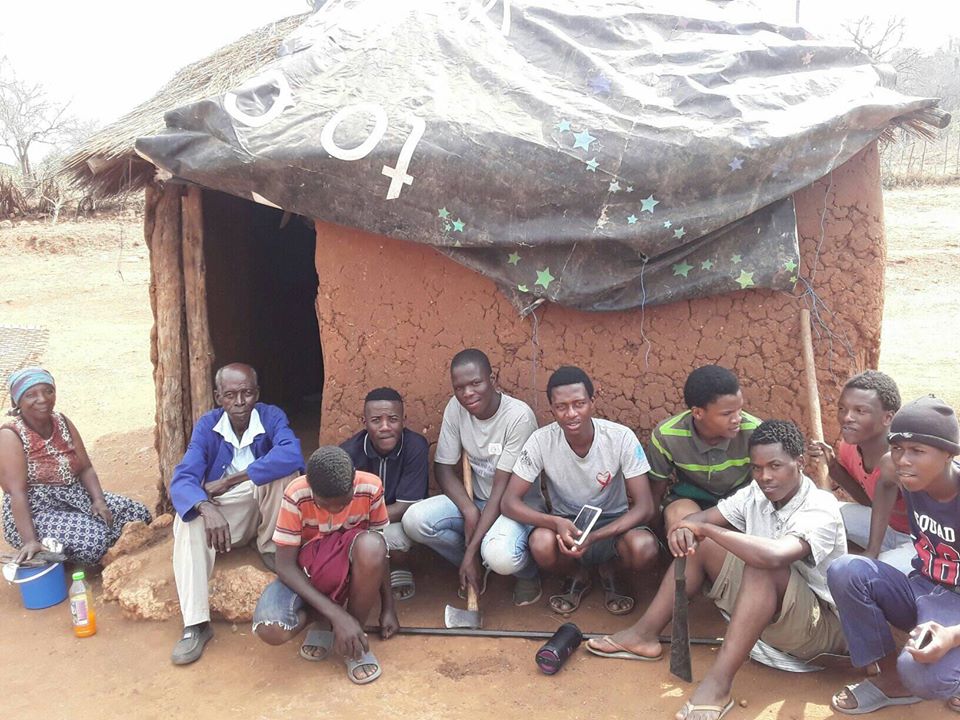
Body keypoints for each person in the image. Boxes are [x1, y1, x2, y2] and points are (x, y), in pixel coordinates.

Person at [588, 420, 848, 720]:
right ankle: (643, 636)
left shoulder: (820, 506)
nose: (765, 476)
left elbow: (776, 556)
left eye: (775, 466)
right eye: (757, 467)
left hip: (818, 631)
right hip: (774, 612)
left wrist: (707, 530)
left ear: (800, 462)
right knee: (702, 547)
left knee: (761, 564)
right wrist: (683, 530)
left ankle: (718, 684)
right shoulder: (756, 493)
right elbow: (699, 522)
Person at [828, 396, 960, 715]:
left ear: (948, 455)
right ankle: (891, 679)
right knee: (847, 569)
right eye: (899, 449)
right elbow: (886, 480)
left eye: (917, 451)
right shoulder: (900, 470)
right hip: (923, 589)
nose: (903, 460)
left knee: (923, 676)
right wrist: (872, 549)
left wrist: (951, 636)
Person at [169, 362, 304, 666]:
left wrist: (231, 479)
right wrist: (204, 507)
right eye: (231, 395)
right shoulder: (208, 426)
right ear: (219, 397)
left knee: (284, 474)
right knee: (187, 518)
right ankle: (196, 624)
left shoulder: (271, 417)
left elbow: (291, 453)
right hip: (227, 517)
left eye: (246, 393)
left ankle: (271, 546)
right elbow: (183, 479)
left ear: (257, 393)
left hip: (261, 508)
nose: (240, 402)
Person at [502, 366, 659, 615]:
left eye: (579, 404)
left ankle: (611, 570)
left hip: (613, 525)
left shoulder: (620, 438)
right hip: (568, 525)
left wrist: (596, 536)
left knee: (644, 547)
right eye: (561, 407)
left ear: (592, 402)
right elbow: (509, 502)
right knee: (540, 543)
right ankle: (577, 573)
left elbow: (645, 506)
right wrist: (554, 523)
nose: (571, 413)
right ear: (551, 409)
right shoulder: (541, 441)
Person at [402, 348, 543, 606]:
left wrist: (471, 550)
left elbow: (502, 489)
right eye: (460, 387)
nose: (467, 393)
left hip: (514, 507)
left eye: (476, 383)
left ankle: (528, 574)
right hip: (478, 502)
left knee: (500, 554)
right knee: (415, 521)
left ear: (492, 379)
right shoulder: (456, 408)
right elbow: (443, 468)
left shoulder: (518, 417)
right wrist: (468, 510)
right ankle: (473, 565)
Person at [252, 446, 398, 685]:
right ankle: (330, 621)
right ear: (311, 488)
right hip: (307, 572)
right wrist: (338, 616)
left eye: (343, 503)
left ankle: (354, 640)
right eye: (324, 504)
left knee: (372, 546)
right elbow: (286, 567)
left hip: (350, 568)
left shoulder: (370, 488)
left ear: (353, 483)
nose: (335, 510)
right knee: (271, 629)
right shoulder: (297, 493)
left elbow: (381, 553)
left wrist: (389, 607)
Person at [0, 367, 152, 565]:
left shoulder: (61, 421)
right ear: (17, 401)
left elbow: (85, 468)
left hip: (74, 496)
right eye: (31, 395)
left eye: (48, 391)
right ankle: (49, 551)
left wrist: (98, 500)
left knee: (139, 514)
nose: (43, 399)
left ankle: (71, 543)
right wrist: (30, 541)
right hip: (36, 510)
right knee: (94, 542)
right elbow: (16, 493)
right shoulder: (11, 435)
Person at [807, 370, 914, 573]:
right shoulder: (849, 448)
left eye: (860, 411)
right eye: (842, 408)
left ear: (887, 418)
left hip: (917, 541)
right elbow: (870, 503)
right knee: (816, 515)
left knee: (869, 574)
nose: (847, 417)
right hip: (883, 527)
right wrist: (833, 468)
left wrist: (872, 552)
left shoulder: (904, 460)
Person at [647, 365, 761, 536]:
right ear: (698, 413)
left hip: (739, 501)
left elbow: (765, 486)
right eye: (727, 413)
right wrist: (655, 534)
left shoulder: (755, 432)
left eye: (739, 410)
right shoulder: (667, 436)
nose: (737, 419)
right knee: (683, 528)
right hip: (691, 500)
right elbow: (656, 491)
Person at [340, 387, 429, 600]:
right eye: (376, 420)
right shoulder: (348, 453)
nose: (385, 427)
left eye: (393, 419)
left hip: (392, 521)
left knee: (399, 533)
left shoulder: (415, 446)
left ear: (404, 420)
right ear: (364, 422)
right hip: (358, 522)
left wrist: (364, 520)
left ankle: (399, 566)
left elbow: (407, 505)